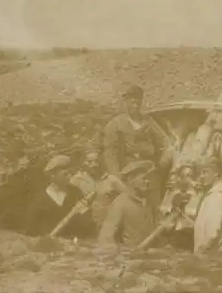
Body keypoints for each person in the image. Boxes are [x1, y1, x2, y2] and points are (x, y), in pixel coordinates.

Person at [103, 85, 171, 216]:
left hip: (149, 172)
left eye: (137, 100)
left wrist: (162, 162)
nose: (135, 103)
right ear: (125, 102)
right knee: (130, 207)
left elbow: (165, 142)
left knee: (153, 206)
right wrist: (117, 176)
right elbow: (110, 152)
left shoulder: (148, 121)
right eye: (131, 100)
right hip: (128, 173)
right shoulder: (115, 124)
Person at [23, 155, 96, 239]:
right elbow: (30, 229)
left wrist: (84, 211)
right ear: (52, 175)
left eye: (70, 173)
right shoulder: (39, 198)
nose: (70, 177)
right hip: (48, 246)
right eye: (65, 174)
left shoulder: (75, 193)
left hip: (73, 244)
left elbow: (88, 225)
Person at [97, 160, 158, 248]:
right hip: (130, 257)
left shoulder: (150, 201)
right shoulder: (120, 203)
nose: (147, 181)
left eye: (148, 178)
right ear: (130, 179)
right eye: (143, 178)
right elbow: (105, 237)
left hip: (152, 254)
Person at [70, 151, 128, 229]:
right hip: (84, 228)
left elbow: (128, 196)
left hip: (108, 227)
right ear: (83, 163)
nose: (94, 165)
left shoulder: (111, 180)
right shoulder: (76, 180)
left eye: (97, 161)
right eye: (89, 162)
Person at [193, 156, 222, 256]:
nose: (202, 176)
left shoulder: (218, 198)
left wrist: (198, 255)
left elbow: (211, 234)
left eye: (205, 172)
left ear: (216, 173)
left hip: (214, 260)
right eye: (200, 173)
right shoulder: (211, 194)